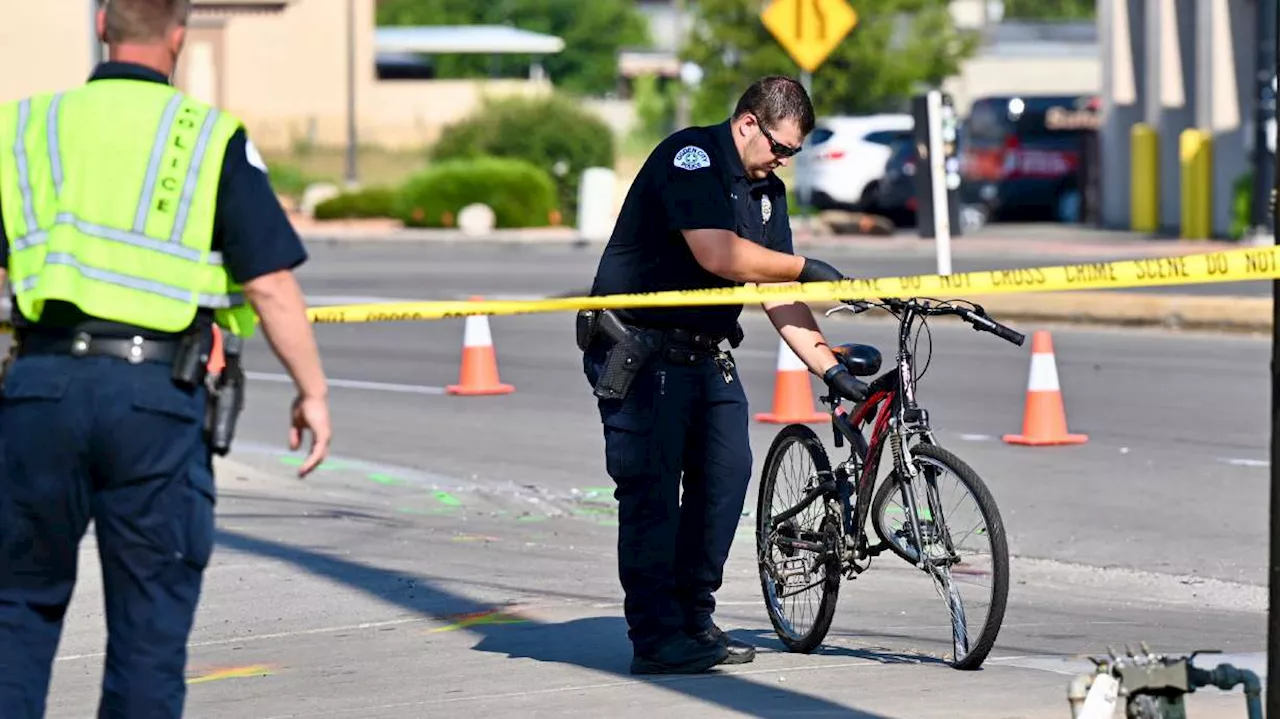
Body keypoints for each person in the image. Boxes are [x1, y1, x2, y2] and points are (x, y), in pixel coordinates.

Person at [0, 1, 332, 716]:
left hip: (39, 389)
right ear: (179, 37)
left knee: (16, 611)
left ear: (102, 28)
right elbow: (269, 283)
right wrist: (313, 391)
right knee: (148, 629)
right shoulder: (207, 137)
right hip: (153, 396)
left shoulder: (23, 128)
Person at [577, 75, 867, 675]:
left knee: (725, 481)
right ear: (747, 124)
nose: (783, 161)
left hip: (705, 353)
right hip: (642, 351)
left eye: (793, 154)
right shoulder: (693, 157)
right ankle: (657, 637)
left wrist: (829, 367)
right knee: (653, 495)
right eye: (780, 148)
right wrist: (805, 265)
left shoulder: (767, 191)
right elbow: (719, 254)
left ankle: (692, 619)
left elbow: (776, 290)